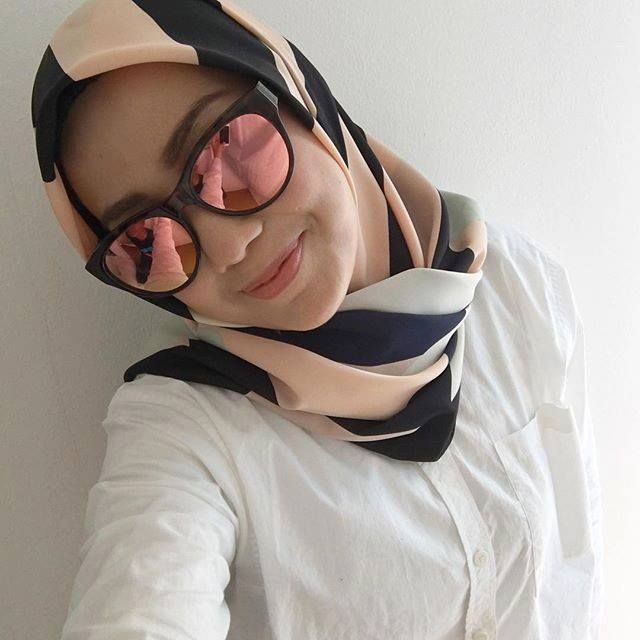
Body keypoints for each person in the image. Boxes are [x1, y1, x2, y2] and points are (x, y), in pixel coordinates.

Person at [30, 1, 603, 638]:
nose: (228, 246)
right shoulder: (187, 428)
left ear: (297, 96)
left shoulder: (517, 286)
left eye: (225, 152)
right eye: (147, 240)